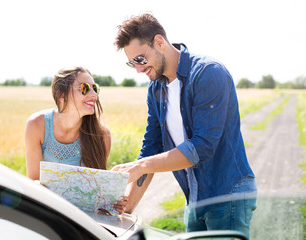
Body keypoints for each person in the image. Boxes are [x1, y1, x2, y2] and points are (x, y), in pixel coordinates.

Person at [111, 13, 257, 237]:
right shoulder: (156, 89)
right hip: (194, 198)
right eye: (132, 63)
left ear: (159, 42)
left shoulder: (209, 73)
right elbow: (151, 147)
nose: (138, 69)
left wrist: (141, 166)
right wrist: (124, 210)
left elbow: (202, 147)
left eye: (140, 59)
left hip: (229, 196)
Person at [25, 66, 127, 214]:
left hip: (83, 220)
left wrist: (112, 204)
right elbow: (33, 184)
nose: (94, 95)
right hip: (46, 212)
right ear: (62, 95)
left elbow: (98, 197)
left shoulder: (102, 134)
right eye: (85, 88)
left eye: (95, 88)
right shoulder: (36, 125)